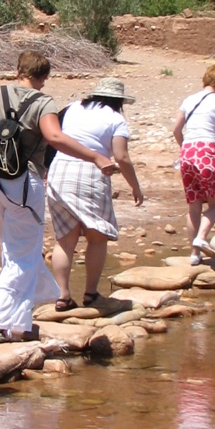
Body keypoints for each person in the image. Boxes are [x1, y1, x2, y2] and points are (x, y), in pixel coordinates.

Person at [0, 51, 117, 341]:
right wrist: (95, 157)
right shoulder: (43, 102)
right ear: (44, 77)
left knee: (13, 249)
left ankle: (20, 323)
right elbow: (54, 138)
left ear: (18, 70)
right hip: (22, 184)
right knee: (22, 254)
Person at [46, 78, 143, 310]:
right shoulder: (115, 118)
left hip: (59, 170)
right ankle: (90, 294)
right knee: (97, 237)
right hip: (91, 171)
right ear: (119, 101)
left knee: (64, 239)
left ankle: (62, 296)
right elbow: (121, 156)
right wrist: (135, 186)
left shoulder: (71, 108)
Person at [172, 63, 215, 264]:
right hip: (206, 152)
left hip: (187, 153)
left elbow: (176, 129)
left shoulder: (189, 99)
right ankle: (201, 239)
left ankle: (194, 256)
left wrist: (185, 146)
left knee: (194, 205)